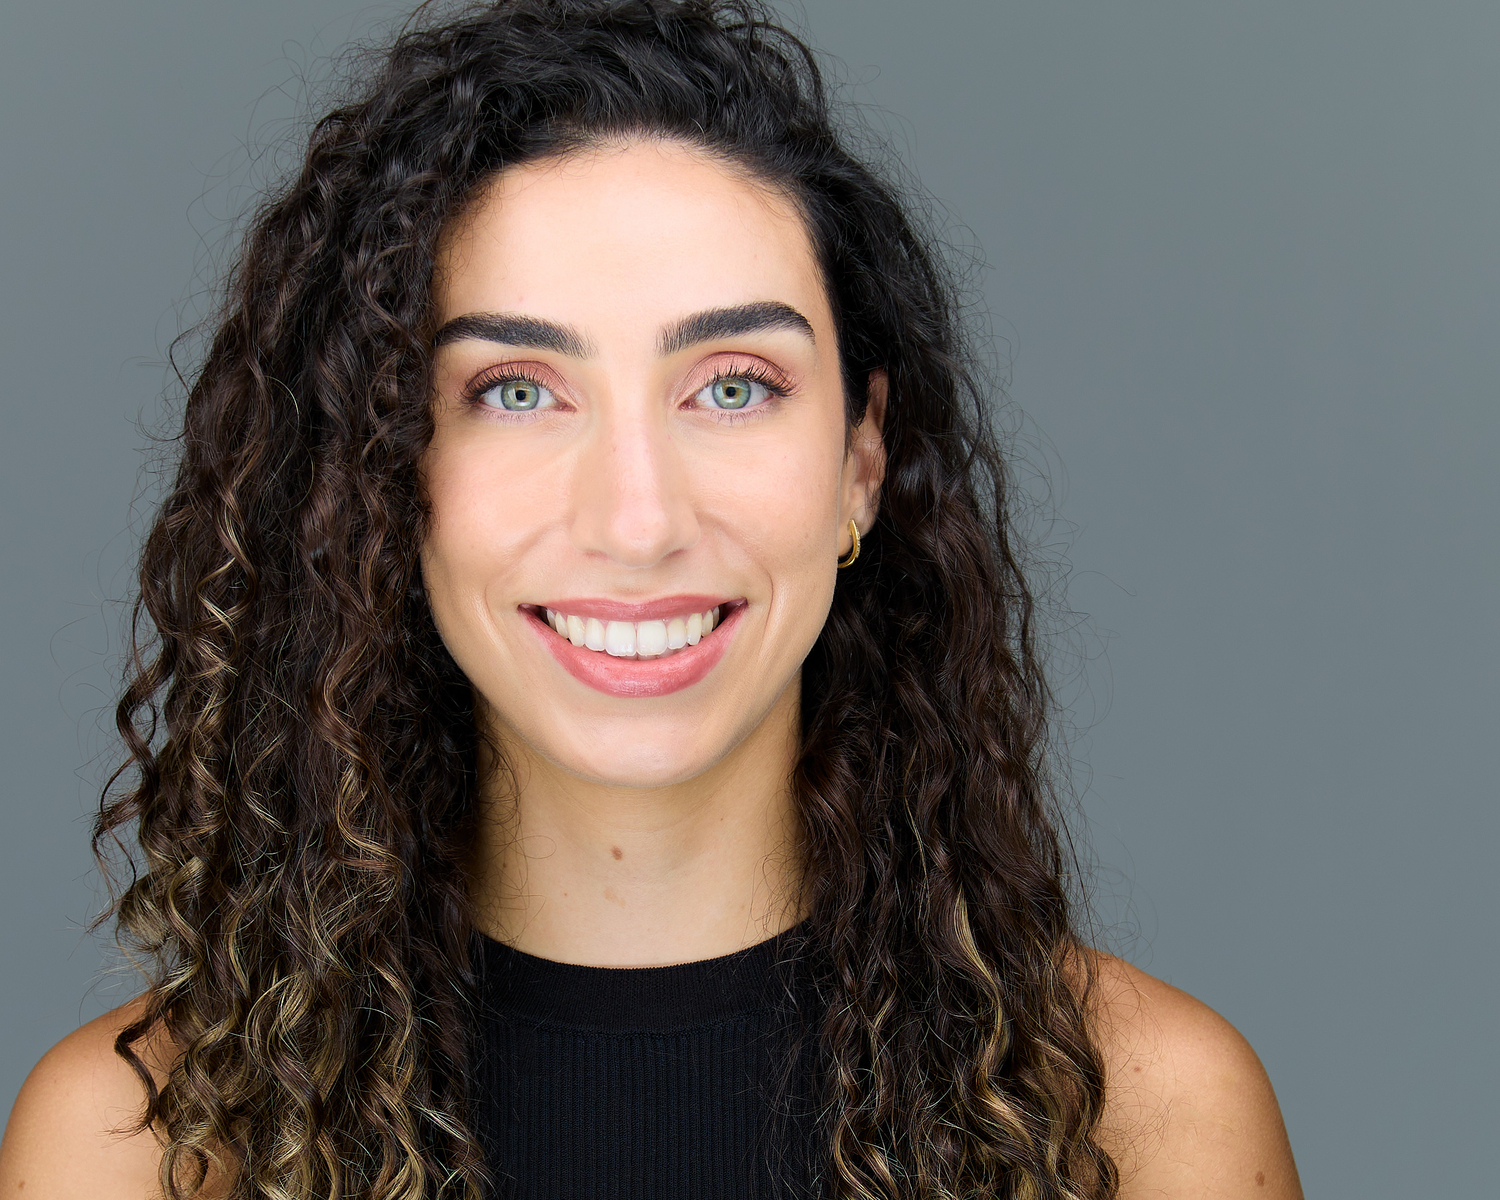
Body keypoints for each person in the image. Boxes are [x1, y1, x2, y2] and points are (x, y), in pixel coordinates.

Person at [0, 2, 1302, 1197]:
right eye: (517, 390)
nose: (638, 521)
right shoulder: (137, 1151)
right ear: (381, 478)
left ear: (861, 459)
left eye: (732, 386)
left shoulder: (1146, 1121)